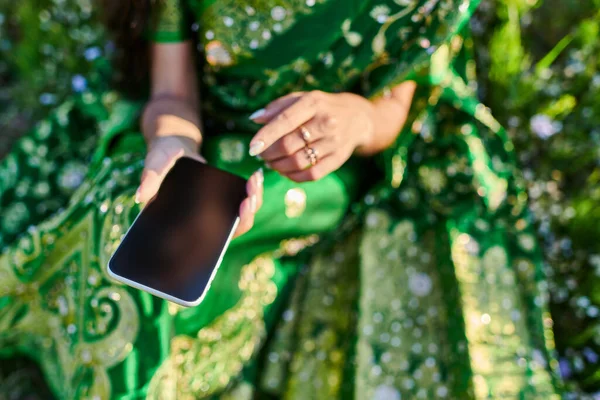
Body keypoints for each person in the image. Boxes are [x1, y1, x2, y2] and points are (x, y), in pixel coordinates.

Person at [0, 0, 562, 398]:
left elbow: (395, 106)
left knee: (185, 258)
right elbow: (172, 91)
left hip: (317, 163)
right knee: (125, 215)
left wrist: (357, 118)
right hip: (202, 139)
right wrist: (173, 140)